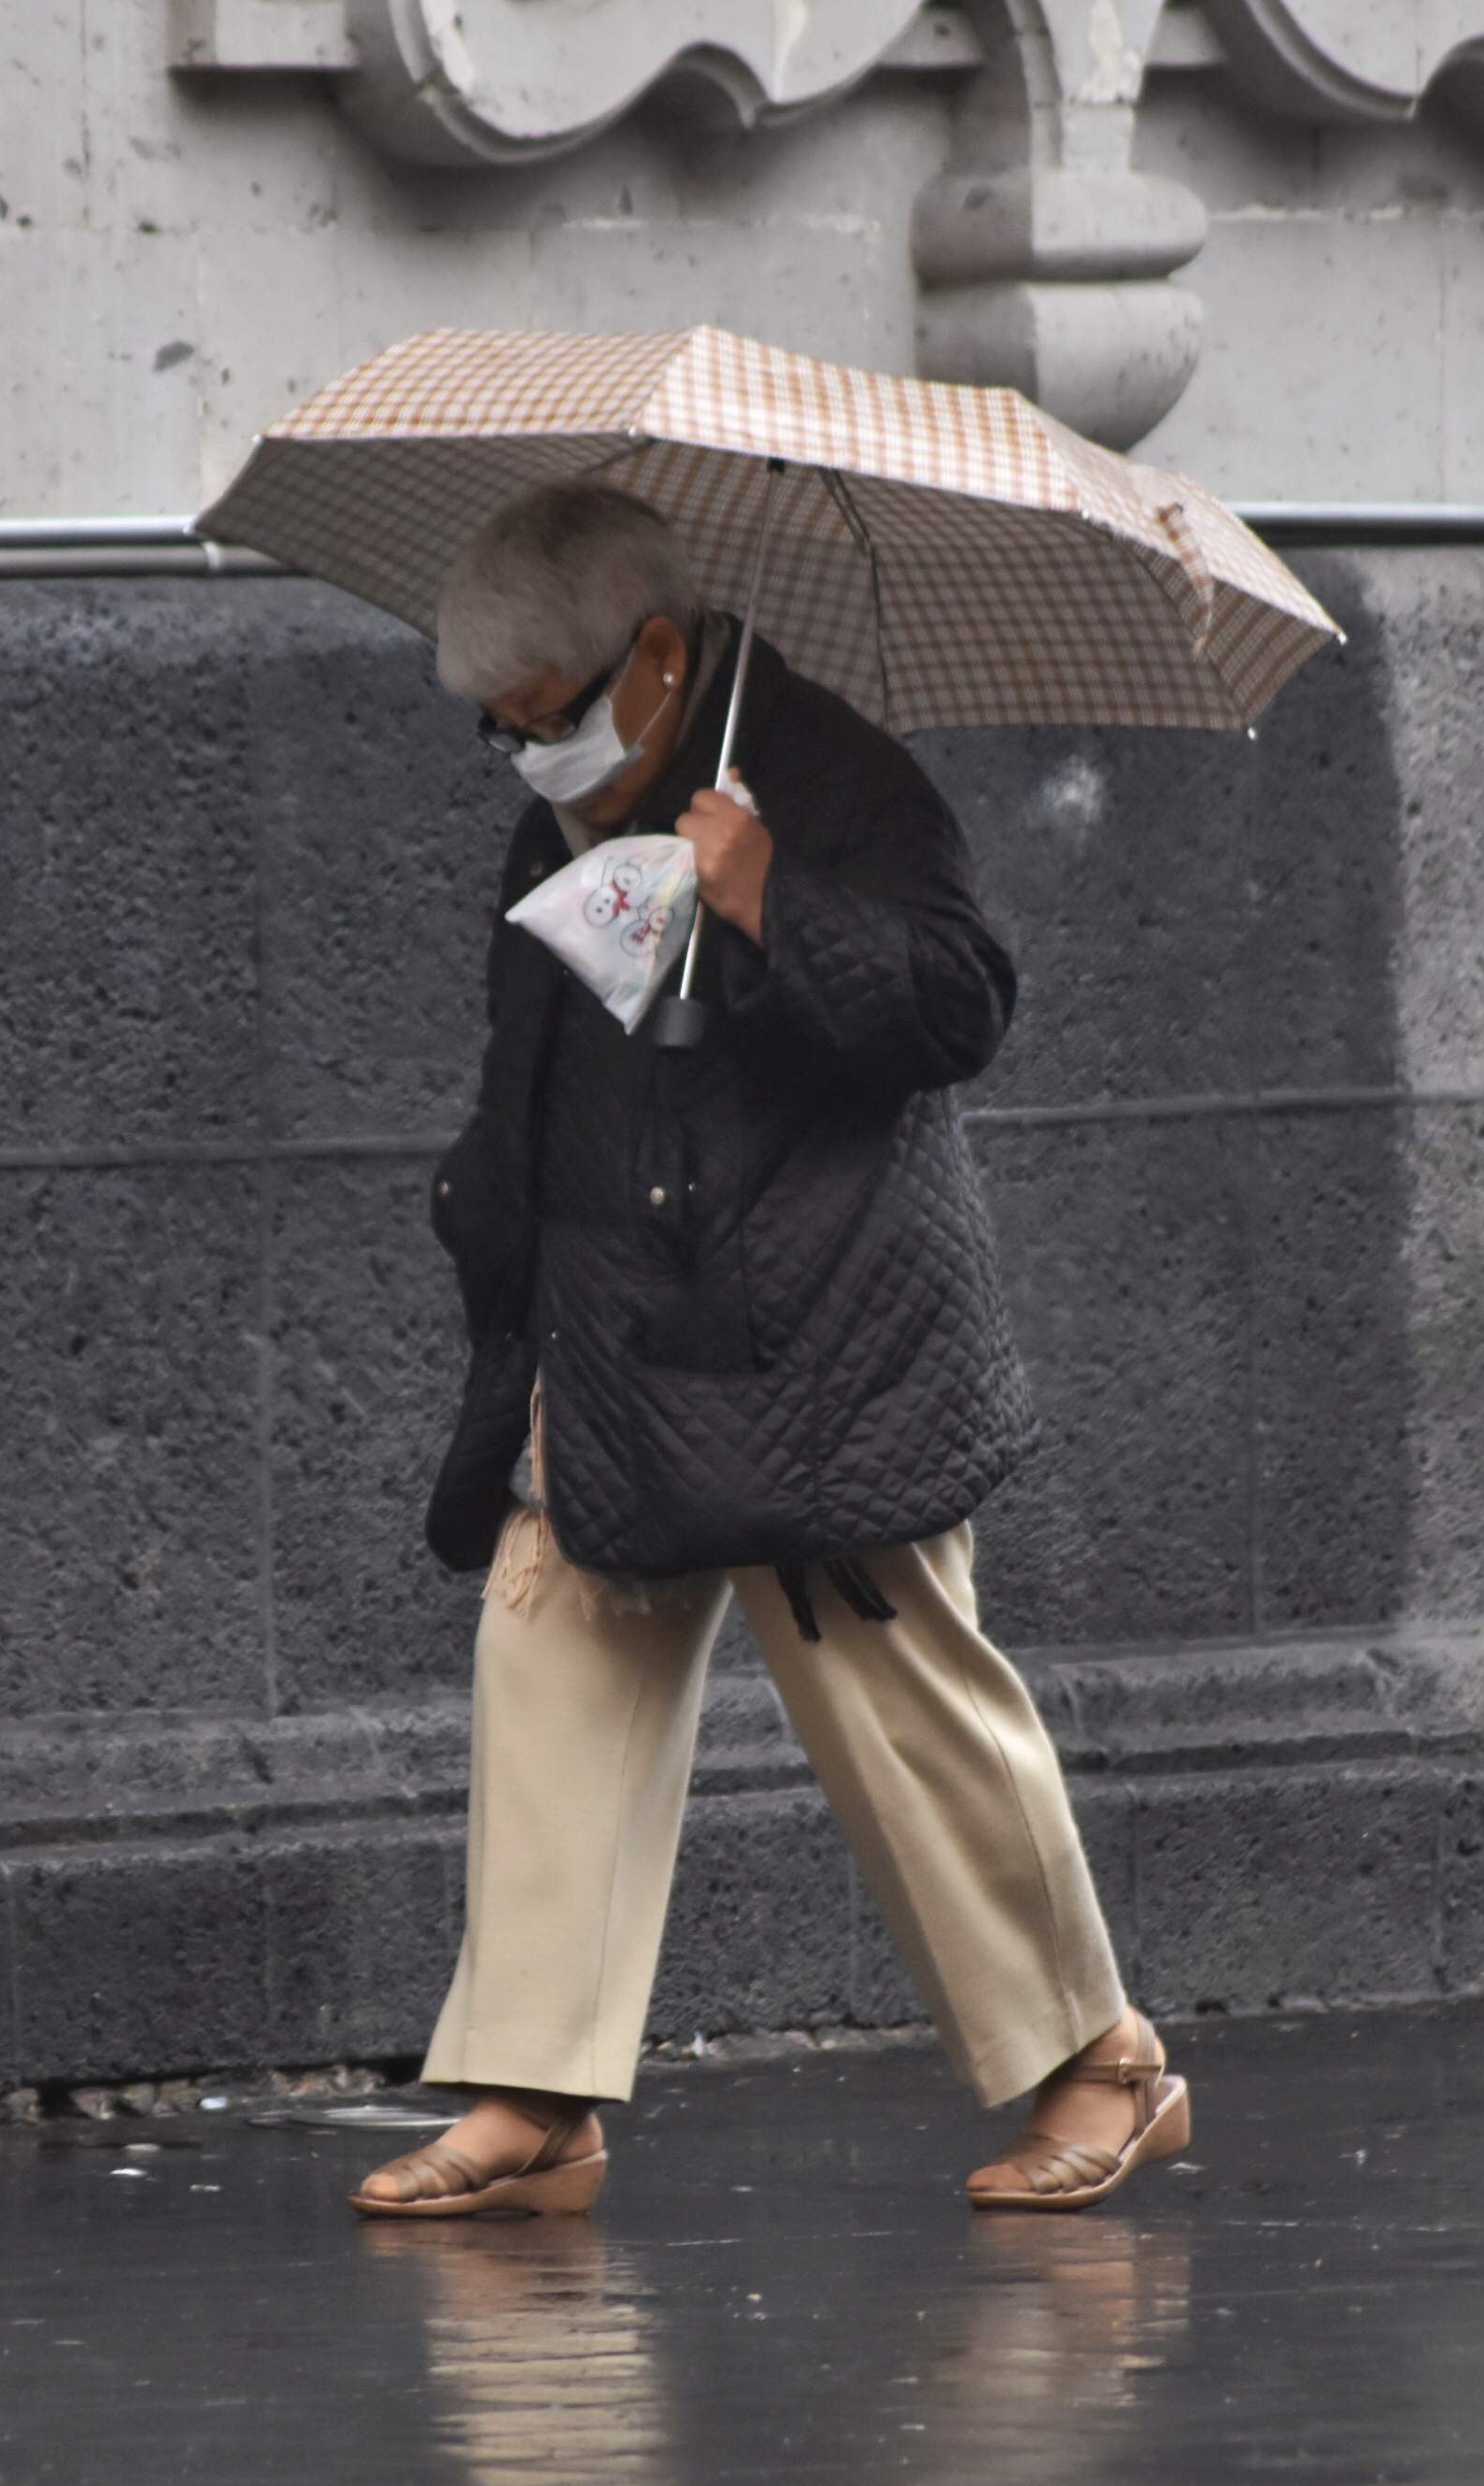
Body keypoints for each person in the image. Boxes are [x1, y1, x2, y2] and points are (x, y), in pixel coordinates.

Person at [354, 482, 1184, 2219]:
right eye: (494, 731)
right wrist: (486, 1220)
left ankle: (1101, 2062)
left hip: (824, 1339)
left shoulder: (827, 769)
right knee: (552, 1661)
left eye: (547, 717)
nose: (524, 757)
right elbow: (544, 1058)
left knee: (904, 1700)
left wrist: (767, 891)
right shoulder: (568, 808)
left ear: (655, 657)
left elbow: (959, 1002)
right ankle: (534, 2086)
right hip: (612, 1325)